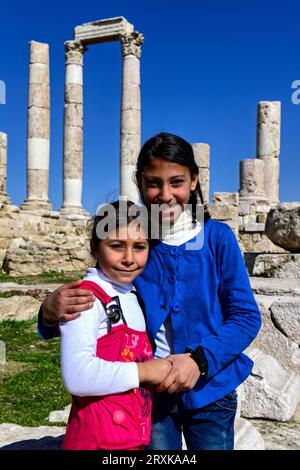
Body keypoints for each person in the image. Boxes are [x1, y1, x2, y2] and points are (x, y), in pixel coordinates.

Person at [38, 132, 261, 450]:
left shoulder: (218, 239)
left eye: (177, 182)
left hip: (212, 389)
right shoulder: (138, 243)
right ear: (140, 183)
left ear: (194, 180)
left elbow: (245, 317)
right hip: (149, 399)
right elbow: (101, 298)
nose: (165, 194)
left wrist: (198, 361)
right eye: (154, 182)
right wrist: (49, 311)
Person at [57, 200, 171, 450]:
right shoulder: (85, 299)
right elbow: (77, 376)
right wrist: (145, 372)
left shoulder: (133, 297)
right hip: (95, 442)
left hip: (129, 440)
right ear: (95, 248)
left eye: (139, 247)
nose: (129, 258)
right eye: (117, 246)